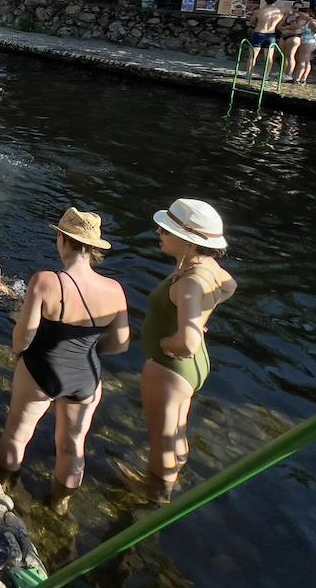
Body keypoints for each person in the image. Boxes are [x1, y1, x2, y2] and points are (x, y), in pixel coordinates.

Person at [0, 208, 130, 514]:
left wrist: (21, 359)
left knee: (17, 433)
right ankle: (60, 505)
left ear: (63, 240)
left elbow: (22, 338)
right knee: (72, 445)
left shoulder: (46, 282)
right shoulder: (115, 290)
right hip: (86, 375)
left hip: (42, 367)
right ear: (94, 248)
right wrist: (88, 350)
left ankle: (4, 489)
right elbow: (120, 344)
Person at [132, 199, 237, 502]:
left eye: (166, 230)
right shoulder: (208, 268)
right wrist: (201, 317)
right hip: (191, 368)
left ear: (188, 241)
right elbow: (230, 287)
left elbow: (187, 342)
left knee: (161, 439)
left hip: (169, 367)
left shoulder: (191, 282)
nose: (159, 233)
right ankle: (173, 478)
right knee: (177, 431)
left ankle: (156, 496)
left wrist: (165, 343)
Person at [244, 0, 285, 78]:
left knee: (253, 55)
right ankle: (266, 75)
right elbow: (279, 25)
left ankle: (249, 74)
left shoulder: (259, 11)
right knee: (269, 57)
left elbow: (251, 22)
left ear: (265, 0)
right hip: (271, 34)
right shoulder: (279, 12)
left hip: (259, 33)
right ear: (275, 1)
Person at [292, 9, 316, 85]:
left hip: (309, 42)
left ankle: (297, 78)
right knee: (306, 61)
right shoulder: (305, 21)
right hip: (305, 42)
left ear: (308, 14)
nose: (300, 16)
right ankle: (303, 78)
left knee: (302, 61)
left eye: (302, 14)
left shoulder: (313, 22)